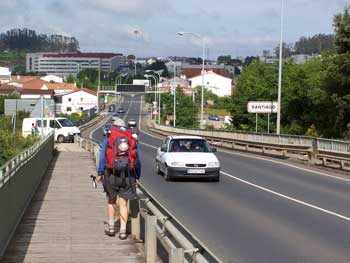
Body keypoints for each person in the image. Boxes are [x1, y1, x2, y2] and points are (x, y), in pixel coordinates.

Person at [96, 118, 140, 240]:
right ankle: (123, 231)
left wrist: (100, 173)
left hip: (111, 174)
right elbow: (138, 160)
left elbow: (102, 157)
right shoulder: (131, 138)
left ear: (113, 127)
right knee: (123, 203)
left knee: (111, 201)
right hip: (127, 175)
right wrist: (137, 175)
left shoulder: (109, 138)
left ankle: (111, 228)